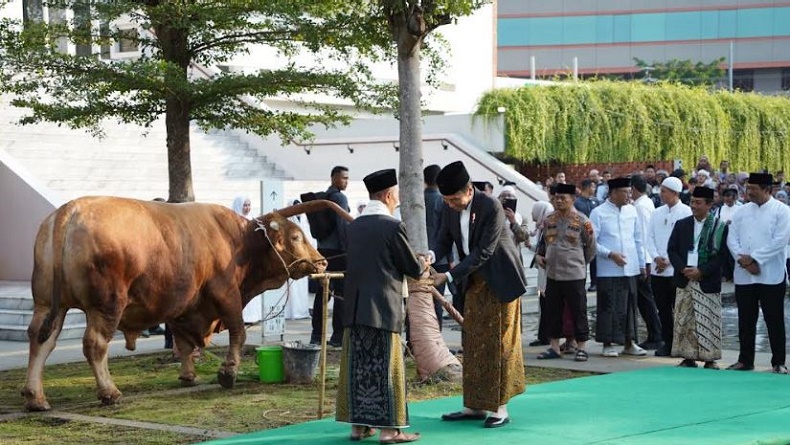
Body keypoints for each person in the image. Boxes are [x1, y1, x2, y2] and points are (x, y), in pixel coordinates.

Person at [431, 161, 526, 428]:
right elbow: (442, 239)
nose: (450, 204)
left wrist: (447, 276)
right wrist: (430, 255)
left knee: (499, 343)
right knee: (473, 342)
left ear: (469, 190)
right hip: (472, 282)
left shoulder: (491, 206)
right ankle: (473, 405)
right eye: (446, 200)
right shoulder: (448, 208)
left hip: (500, 281)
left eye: (454, 199)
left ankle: (500, 407)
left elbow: (484, 251)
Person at [336, 169, 427, 444]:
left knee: (359, 370)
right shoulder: (392, 226)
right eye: (396, 194)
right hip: (384, 309)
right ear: (388, 195)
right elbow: (411, 267)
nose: (397, 199)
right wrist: (424, 262)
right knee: (387, 370)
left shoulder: (354, 227)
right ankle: (390, 431)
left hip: (355, 309)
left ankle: (358, 427)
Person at [726, 172, 790, 374]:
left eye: (753, 188)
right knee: (745, 319)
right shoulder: (741, 211)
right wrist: (743, 261)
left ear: (767, 190)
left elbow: (779, 241)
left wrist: (755, 259)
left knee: (774, 319)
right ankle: (745, 360)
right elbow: (731, 239)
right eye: (748, 187)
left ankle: (778, 362)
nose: (749, 192)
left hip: (770, 274)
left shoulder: (782, 211)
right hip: (745, 274)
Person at [666, 186, 729, 369]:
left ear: (709, 205)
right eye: (692, 202)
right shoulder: (682, 224)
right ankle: (688, 357)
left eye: (698, 203)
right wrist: (683, 268)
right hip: (684, 278)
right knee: (684, 318)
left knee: (708, 320)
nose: (693, 206)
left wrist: (701, 271)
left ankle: (710, 359)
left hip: (706, 280)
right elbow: (672, 249)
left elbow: (722, 256)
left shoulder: (719, 227)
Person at [535, 183, 596, 362]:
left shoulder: (582, 221)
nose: (559, 201)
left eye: (563, 198)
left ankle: (581, 347)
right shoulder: (549, 219)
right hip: (553, 273)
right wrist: (540, 256)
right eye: (556, 198)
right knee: (552, 311)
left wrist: (579, 262)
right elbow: (543, 244)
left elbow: (591, 247)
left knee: (579, 311)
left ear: (573, 199)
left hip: (574, 274)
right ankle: (554, 347)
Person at [589, 176, 647, 358]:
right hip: (608, 268)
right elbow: (592, 242)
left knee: (630, 306)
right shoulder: (598, 213)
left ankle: (630, 342)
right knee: (608, 306)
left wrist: (642, 263)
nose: (630, 195)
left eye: (630, 192)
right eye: (626, 192)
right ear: (614, 193)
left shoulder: (632, 211)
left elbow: (638, 238)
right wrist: (610, 254)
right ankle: (607, 343)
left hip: (630, 268)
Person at [646, 177, 692, 356]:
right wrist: (657, 257)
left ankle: (683, 344)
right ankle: (668, 342)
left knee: (680, 309)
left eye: (664, 191)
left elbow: (687, 242)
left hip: (677, 269)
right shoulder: (657, 212)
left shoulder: (686, 212)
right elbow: (649, 238)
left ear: (674, 193)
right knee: (663, 309)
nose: (661, 194)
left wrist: (669, 260)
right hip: (658, 270)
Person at [310, 166, 351, 347]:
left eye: (347, 178)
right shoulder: (339, 198)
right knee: (341, 293)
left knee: (322, 293)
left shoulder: (323, 197)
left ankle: (316, 336)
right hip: (338, 252)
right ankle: (338, 336)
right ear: (334, 178)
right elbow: (342, 226)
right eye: (343, 178)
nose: (346, 182)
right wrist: (348, 249)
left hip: (323, 251)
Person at [631, 175, 663, 350]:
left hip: (643, 260)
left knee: (645, 300)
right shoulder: (646, 203)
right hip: (645, 259)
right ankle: (655, 333)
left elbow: (642, 236)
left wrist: (644, 263)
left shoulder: (641, 207)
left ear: (634, 189)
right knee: (645, 300)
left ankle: (656, 335)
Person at [424, 164, 453, 327]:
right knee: (437, 301)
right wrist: (451, 258)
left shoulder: (417, 199)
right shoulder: (442, 201)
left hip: (419, 257)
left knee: (418, 300)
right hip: (439, 258)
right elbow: (446, 232)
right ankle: (436, 339)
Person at [231, 196, 262, 324]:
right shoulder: (233, 221)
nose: (247, 208)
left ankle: (252, 316)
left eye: (249, 205)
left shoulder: (253, 221)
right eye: (245, 205)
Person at [528, 200, 554, 347]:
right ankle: (544, 335)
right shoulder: (542, 229)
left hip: (546, 274)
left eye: (535, 210)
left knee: (545, 303)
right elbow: (540, 250)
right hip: (542, 273)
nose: (532, 214)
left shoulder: (548, 228)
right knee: (542, 303)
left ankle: (546, 336)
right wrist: (531, 247)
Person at [284, 199, 313, 320]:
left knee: (302, 288)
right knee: (293, 289)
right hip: (293, 261)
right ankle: (292, 312)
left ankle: (301, 310)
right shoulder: (288, 223)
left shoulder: (304, 222)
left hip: (305, 259)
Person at [575, 179, 599, 292]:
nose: (594, 189)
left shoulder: (595, 201)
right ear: (588, 187)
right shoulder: (577, 202)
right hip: (581, 234)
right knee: (582, 261)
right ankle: (581, 283)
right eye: (593, 187)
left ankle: (594, 282)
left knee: (594, 259)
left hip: (593, 234)